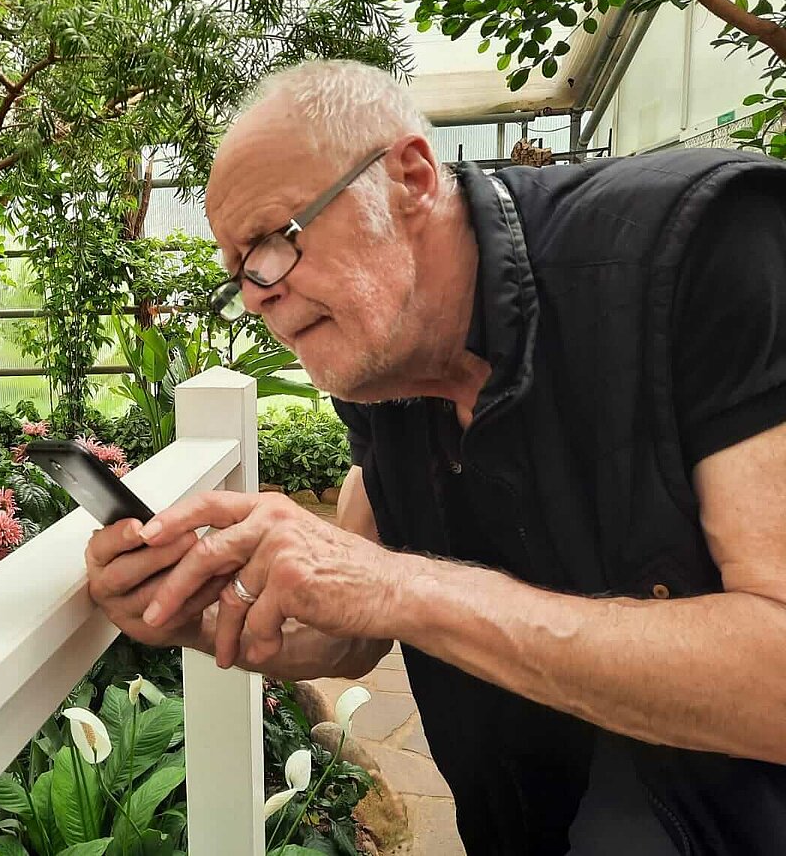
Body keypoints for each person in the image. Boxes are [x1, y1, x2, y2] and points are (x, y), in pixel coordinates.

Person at [84, 59, 786, 854]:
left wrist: (405, 588)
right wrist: (196, 614)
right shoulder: (378, 361)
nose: (254, 294)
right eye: (238, 272)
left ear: (411, 177)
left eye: (273, 242)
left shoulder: (706, 246)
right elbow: (349, 639)